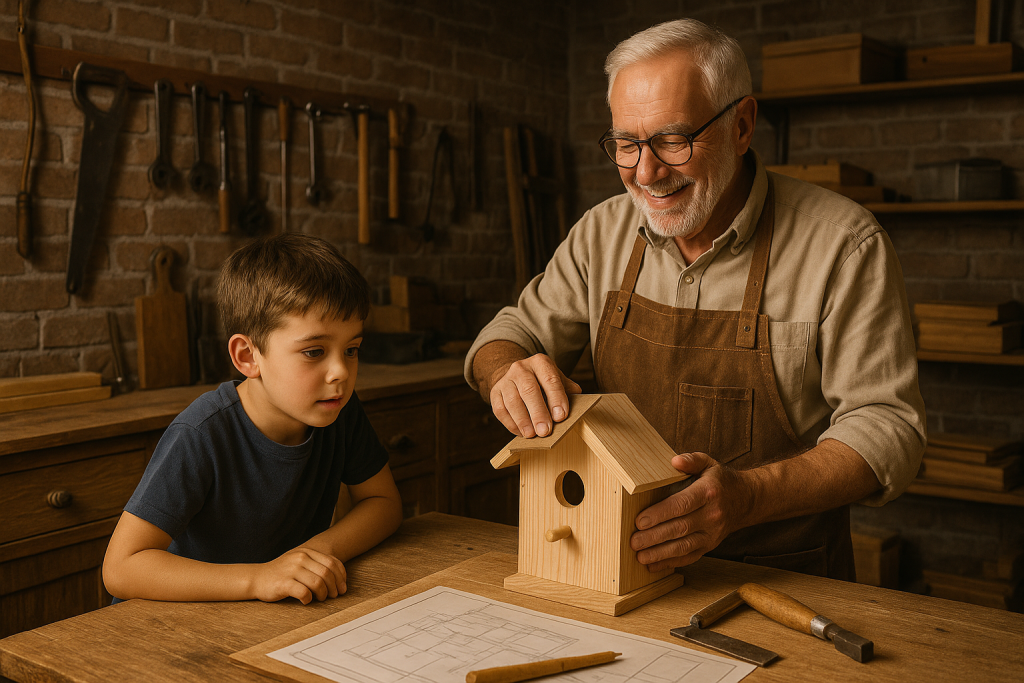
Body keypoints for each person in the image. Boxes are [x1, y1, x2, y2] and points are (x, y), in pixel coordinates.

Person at [466, 19, 926, 580]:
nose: (646, 172)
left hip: (785, 575)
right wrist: (506, 372)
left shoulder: (844, 245)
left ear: (742, 125)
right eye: (626, 145)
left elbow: (887, 426)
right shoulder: (600, 234)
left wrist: (748, 498)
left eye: (672, 140)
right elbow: (513, 331)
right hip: (624, 569)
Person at [103, 234, 403, 604]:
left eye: (352, 349)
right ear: (247, 356)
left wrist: (312, 554)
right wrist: (260, 579)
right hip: (174, 621)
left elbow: (384, 502)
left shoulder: (338, 408)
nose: (340, 371)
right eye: (314, 351)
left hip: (268, 613)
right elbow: (120, 568)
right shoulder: (201, 434)